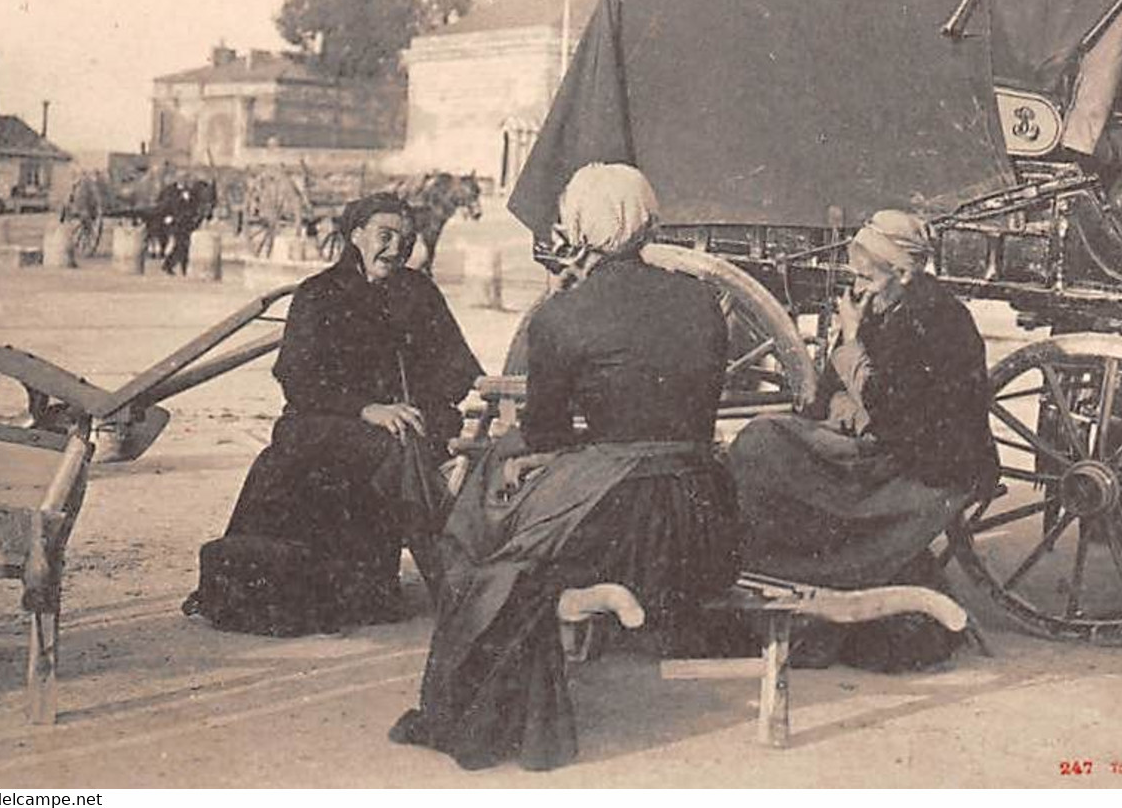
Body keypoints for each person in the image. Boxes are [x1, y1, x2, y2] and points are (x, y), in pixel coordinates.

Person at [389, 163, 739, 772]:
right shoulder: (703, 300)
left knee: (482, 529)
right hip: (701, 512)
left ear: (578, 228)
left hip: (623, 509)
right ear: (647, 222)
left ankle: (478, 703)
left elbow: (545, 432)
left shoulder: (565, 314)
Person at [185, 192, 482, 634]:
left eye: (406, 238)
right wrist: (368, 408)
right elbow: (297, 379)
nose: (396, 248)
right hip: (323, 420)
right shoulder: (318, 294)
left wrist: (418, 401)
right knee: (371, 450)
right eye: (384, 235)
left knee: (400, 444)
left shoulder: (419, 292)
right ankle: (446, 586)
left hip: (405, 420)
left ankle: (407, 583)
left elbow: (460, 369)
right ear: (356, 235)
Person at [727, 209, 997, 671]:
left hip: (923, 469)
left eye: (868, 277)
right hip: (888, 448)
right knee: (765, 443)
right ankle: (783, 583)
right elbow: (847, 389)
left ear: (904, 273)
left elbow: (893, 410)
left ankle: (802, 590)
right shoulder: (887, 303)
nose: (859, 286)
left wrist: (852, 343)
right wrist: (841, 398)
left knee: (762, 446)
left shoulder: (938, 321)